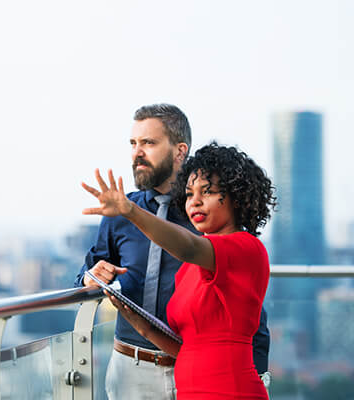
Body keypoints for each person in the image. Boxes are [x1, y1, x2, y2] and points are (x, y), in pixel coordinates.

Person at [74, 104, 270, 399]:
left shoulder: (221, 238)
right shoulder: (122, 216)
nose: (137, 153)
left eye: (149, 143)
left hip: (219, 384)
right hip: (142, 369)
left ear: (180, 151)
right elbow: (85, 277)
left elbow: (191, 249)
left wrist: (130, 212)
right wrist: (96, 282)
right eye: (133, 144)